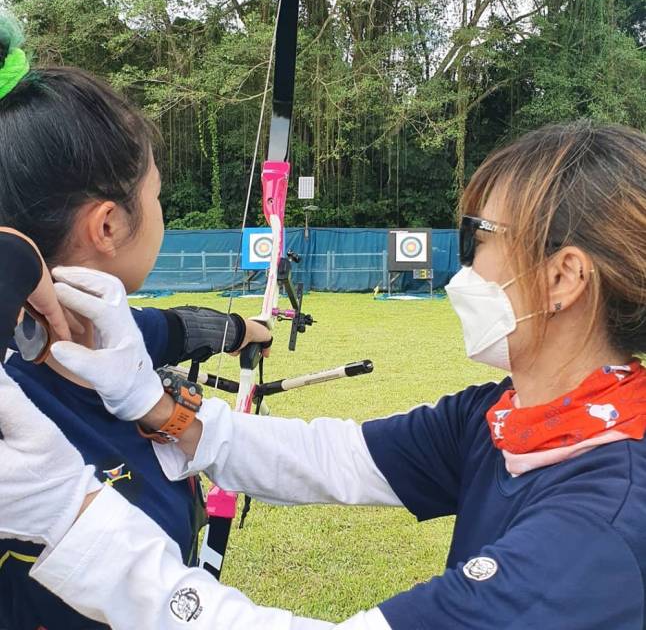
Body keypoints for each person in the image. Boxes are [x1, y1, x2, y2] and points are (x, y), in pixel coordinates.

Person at [3, 121, 646, 629]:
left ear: (564, 277)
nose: (466, 259)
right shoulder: (508, 420)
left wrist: (70, 520)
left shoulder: (603, 527)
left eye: (475, 234)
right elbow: (331, 457)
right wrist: (152, 402)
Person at [0, 15, 271, 630]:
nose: (159, 211)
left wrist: (246, 331)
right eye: (155, 195)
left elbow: (176, 329)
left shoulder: (111, 336)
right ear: (108, 226)